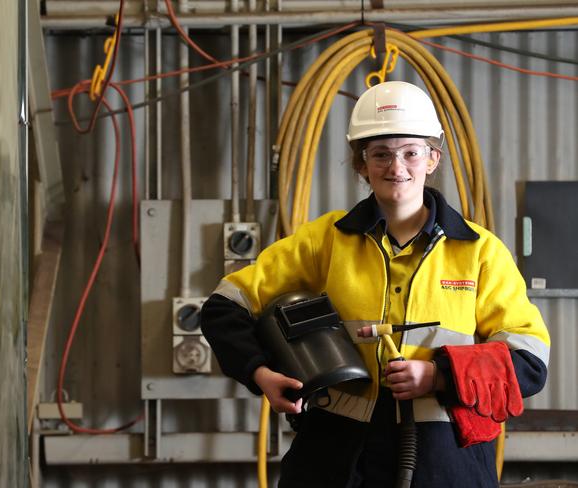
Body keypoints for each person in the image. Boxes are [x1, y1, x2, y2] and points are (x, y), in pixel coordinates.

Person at [200, 81, 550, 487]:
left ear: (432, 159)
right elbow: (225, 306)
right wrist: (261, 373)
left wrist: (438, 376)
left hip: (445, 460)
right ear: (361, 164)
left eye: (410, 152)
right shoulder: (324, 240)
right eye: (380, 154)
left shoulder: (480, 252)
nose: (396, 167)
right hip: (336, 459)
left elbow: (528, 362)